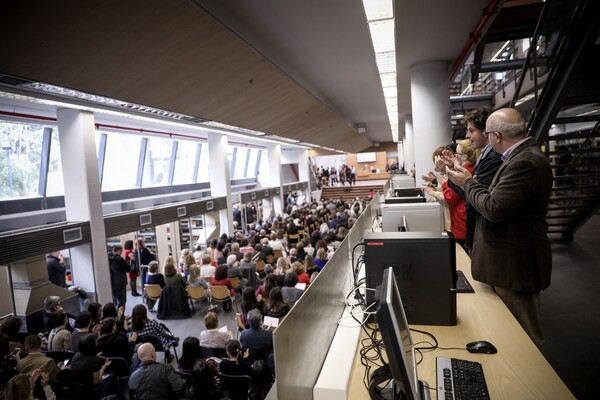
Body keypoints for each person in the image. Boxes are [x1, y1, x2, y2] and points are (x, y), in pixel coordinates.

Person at [446, 107, 553, 352]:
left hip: (516, 263)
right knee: (512, 332)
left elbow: (493, 207)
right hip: (508, 260)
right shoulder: (520, 159)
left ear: (496, 137)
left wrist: (467, 181)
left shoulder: (526, 162)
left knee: (527, 337)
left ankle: (536, 386)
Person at [446, 107, 502, 253]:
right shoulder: (486, 155)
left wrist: (454, 176)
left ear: (486, 130)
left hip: (485, 234)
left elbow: (474, 195)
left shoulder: (494, 157)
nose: (467, 135)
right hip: (477, 232)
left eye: (471, 130)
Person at [108, 244, 130, 309]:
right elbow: (128, 268)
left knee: (115, 300)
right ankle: (121, 316)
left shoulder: (108, 258)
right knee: (122, 301)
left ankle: (116, 316)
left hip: (112, 282)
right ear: (119, 250)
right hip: (120, 282)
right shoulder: (119, 259)